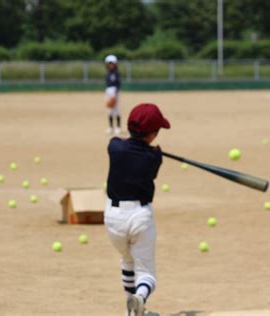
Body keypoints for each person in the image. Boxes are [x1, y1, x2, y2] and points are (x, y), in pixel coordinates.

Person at [104, 103, 170, 315]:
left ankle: (132, 311)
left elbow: (122, 144)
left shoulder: (114, 147)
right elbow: (148, 157)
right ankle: (140, 297)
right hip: (139, 217)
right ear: (151, 134)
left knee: (127, 260)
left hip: (113, 219)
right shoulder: (154, 157)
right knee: (147, 275)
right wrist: (154, 150)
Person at [104, 54, 122, 135]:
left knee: (117, 110)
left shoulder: (116, 73)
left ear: (115, 64)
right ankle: (111, 127)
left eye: (112, 63)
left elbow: (118, 84)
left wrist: (115, 93)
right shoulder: (108, 73)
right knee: (109, 110)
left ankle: (118, 127)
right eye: (109, 63)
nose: (110, 65)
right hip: (108, 91)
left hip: (115, 91)